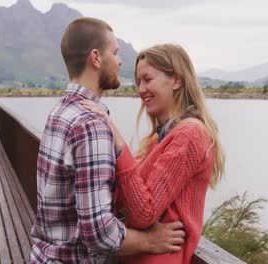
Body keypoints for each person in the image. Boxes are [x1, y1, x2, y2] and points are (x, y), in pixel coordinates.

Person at [30, 18, 186, 263]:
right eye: (114, 52)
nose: (120, 61)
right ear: (96, 58)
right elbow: (99, 233)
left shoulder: (60, 112)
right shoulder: (91, 125)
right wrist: (149, 241)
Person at [80, 44, 226, 263]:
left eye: (147, 80)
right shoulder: (158, 139)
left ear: (176, 80)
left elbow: (143, 213)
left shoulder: (190, 134)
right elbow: (121, 199)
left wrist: (118, 141)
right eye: (138, 82)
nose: (140, 90)